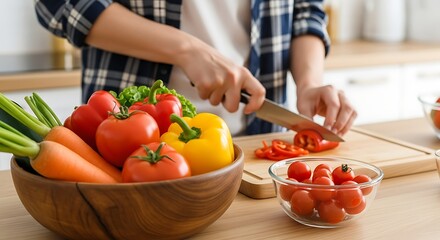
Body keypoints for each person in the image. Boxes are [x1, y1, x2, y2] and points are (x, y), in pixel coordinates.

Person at [34, 0, 356, 137]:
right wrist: (186, 49)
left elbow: (306, 10)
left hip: (255, 145)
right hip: (132, 142)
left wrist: (309, 83)